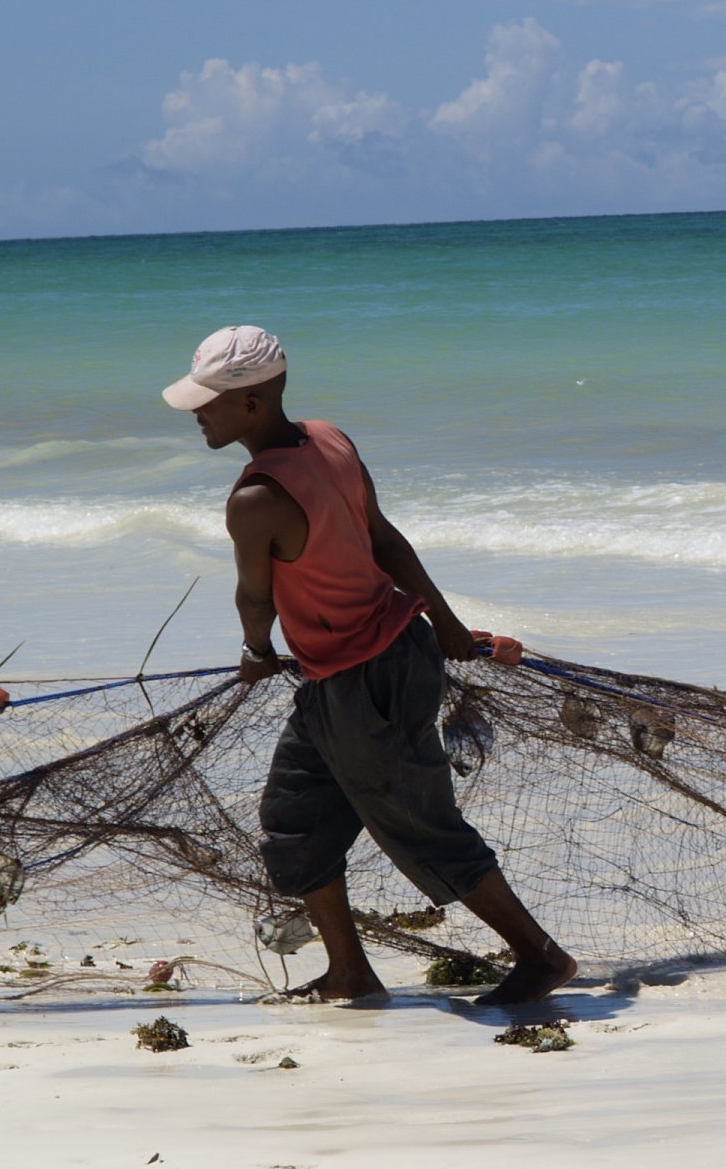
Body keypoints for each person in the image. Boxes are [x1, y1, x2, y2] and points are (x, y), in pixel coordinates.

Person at [163, 325, 574, 1006]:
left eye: (209, 401)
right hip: (352, 671)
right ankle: (351, 972)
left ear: (254, 402)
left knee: (420, 825)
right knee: (294, 821)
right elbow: (384, 539)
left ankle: (541, 956)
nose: (198, 414)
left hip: (369, 678)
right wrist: (438, 620)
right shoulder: (330, 437)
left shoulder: (254, 498)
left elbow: (255, 595)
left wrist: (257, 653)